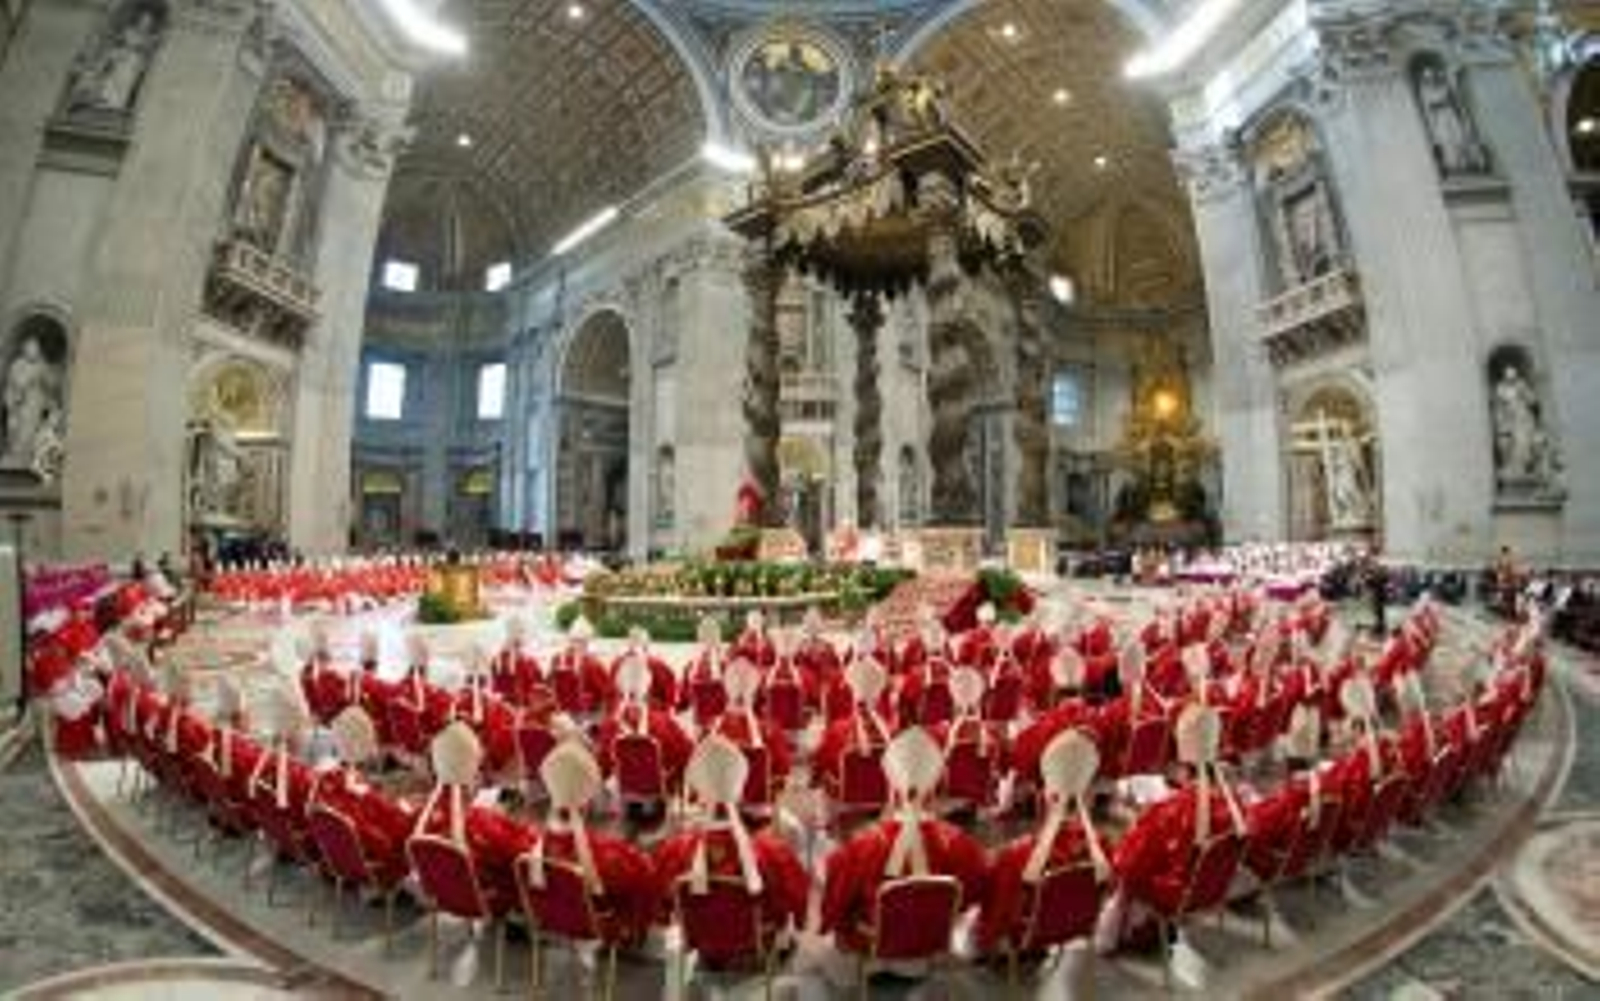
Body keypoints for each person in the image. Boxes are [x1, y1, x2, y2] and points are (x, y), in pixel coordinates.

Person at [820, 727, 988, 955]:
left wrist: (834, 922)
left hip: (870, 939)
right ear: (933, 789)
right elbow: (974, 892)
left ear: (892, 787)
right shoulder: (961, 843)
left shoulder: (863, 845)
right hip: (935, 940)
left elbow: (837, 901)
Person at [652, 735, 809, 959]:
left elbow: (659, 899)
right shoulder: (772, 853)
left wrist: (664, 917)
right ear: (740, 790)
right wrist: (800, 922)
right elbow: (797, 895)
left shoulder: (675, 850)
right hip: (758, 939)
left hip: (697, 938)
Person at [977, 728, 1111, 954]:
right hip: (1077, 931)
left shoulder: (1017, 855)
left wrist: (984, 940)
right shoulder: (1103, 847)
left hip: (1021, 941)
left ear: (1047, 796)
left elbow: (997, 915)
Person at [525, 741, 658, 944]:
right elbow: (646, 889)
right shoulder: (614, 856)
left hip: (545, 920)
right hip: (599, 927)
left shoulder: (526, 845)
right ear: (588, 800)